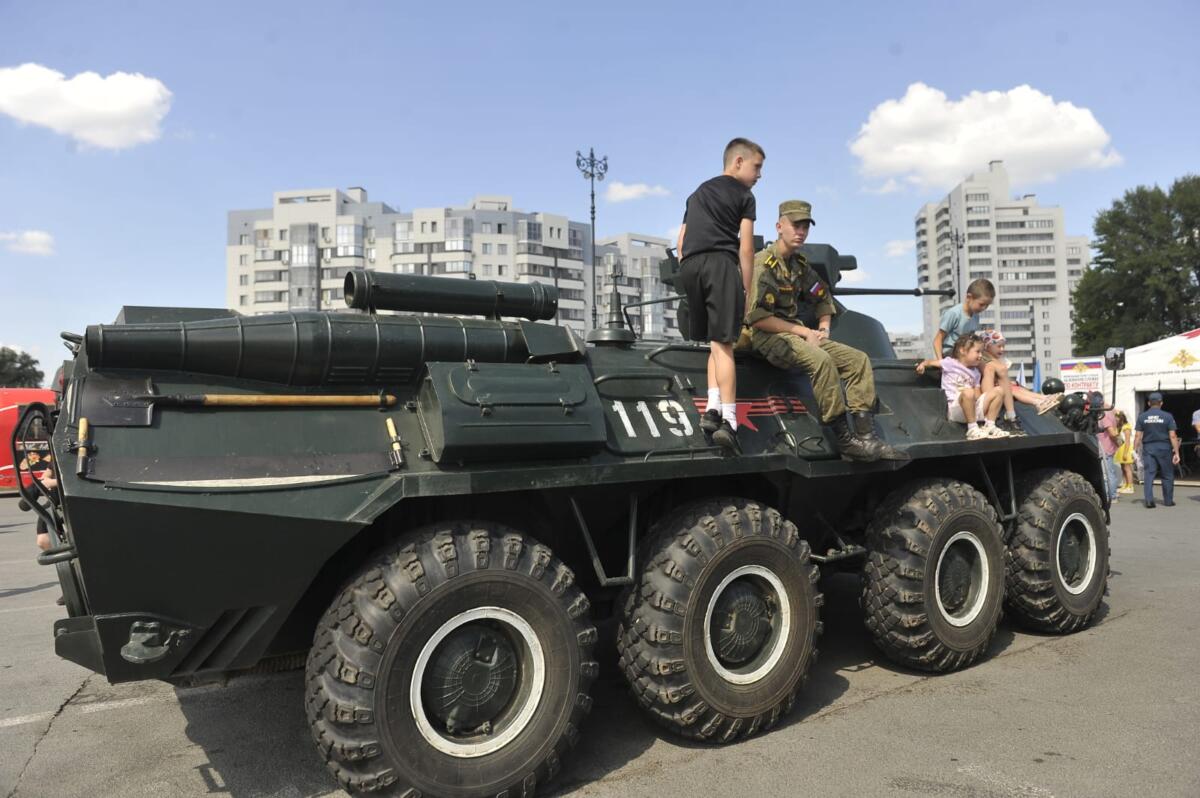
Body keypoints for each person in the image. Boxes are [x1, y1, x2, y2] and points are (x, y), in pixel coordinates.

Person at [743, 200, 907, 462]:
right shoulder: (763, 264)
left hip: (798, 335)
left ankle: (866, 438)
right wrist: (803, 331)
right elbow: (758, 318)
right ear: (779, 226)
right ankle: (845, 440)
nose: (801, 231)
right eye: (796, 225)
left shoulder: (799, 266)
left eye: (805, 226)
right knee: (821, 361)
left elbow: (822, 297)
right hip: (770, 337)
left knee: (858, 360)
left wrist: (823, 328)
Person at [677, 137, 764, 453]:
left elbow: (681, 241)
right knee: (726, 344)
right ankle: (730, 421)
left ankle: (712, 409)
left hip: (691, 266)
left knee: (714, 342)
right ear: (738, 162)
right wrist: (746, 287)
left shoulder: (698, 192)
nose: (759, 175)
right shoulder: (744, 194)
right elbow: (747, 246)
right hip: (720, 264)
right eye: (757, 166)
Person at [917, 333, 1011, 440]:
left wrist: (985, 402)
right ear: (962, 351)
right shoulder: (950, 363)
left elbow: (977, 393)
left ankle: (990, 425)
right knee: (968, 392)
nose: (981, 356)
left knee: (999, 390)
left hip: (972, 407)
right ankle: (972, 428)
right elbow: (931, 362)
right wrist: (923, 365)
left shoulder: (976, 372)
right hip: (955, 409)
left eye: (981, 352)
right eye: (977, 352)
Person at [977, 329, 1062, 432]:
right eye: (999, 346)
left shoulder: (997, 360)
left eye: (1003, 346)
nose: (1002, 349)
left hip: (1000, 386)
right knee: (1015, 391)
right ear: (988, 346)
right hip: (996, 388)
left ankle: (1043, 398)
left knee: (1017, 388)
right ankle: (1037, 402)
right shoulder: (984, 359)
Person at [1134, 392, 1181, 508]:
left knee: (1149, 474)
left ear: (1149, 403)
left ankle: (1149, 501)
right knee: (1167, 475)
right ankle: (1168, 501)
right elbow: (1173, 435)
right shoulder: (1168, 416)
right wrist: (1176, 452)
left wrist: (1134, 451)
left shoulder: (1142, 416)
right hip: (1164, 448)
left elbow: (1138, 436)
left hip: (1149, 448)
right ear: (1161, 403)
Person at [932, 278, 994, 358]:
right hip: (951, 352)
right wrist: (941, 362)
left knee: (995, 364)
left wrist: (985, 336)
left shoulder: (975, 316)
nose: (984, 308)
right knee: (986, 364)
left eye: (987, 305)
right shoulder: (954, 314)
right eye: (981, 304)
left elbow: (971, 340)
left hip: (967, 352)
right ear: (969, 297)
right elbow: (937, 340)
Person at [1093, 392, 1120, 503]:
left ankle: (1112, 496)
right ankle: (1111, 494)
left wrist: (1117, 442)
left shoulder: (1104, 414)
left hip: (1105, 448)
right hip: (1106, 447)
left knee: (1108, 473)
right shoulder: (1108, 412)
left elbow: (1112, 433)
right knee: (1108, 472)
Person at [1114, 410, 1135, 493]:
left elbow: (1127, 441)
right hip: (1120, 449)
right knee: (1123, 467)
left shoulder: (1126, 427)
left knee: (1127, 468)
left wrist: (1126, 453)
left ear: (1121, 418)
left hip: (1126, 449)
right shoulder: (1119, 427)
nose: (1115, 419)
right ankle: (1125, 485)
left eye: (1117, 417)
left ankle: (1130, 486)